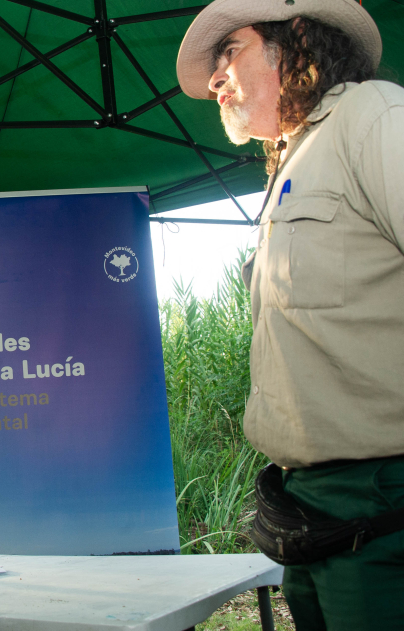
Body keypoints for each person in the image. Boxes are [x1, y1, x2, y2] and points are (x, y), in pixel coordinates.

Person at [177, 0, 404, 628]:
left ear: (295, 40)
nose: (214, 80)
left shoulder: (373, 113)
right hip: (311, 512)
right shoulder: (293, 158)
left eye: (230, 52)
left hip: (383, 504)